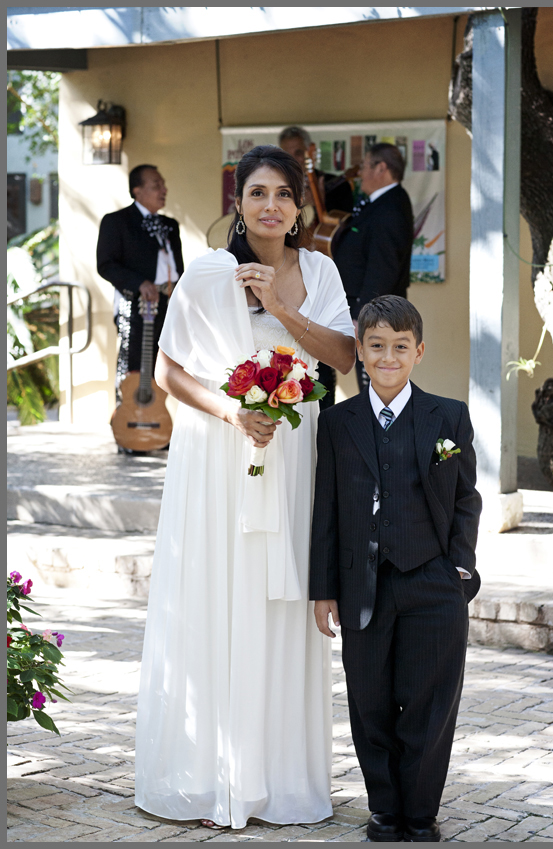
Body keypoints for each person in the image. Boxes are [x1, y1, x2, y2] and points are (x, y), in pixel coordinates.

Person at [135, 145, 356, 829]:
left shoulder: (319, 268)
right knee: (219, 593)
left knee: (280, 601)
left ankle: (277, 777)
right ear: (240, 203)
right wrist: (233, 412)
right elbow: (168, 373)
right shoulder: (207, 272)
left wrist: (277, 304)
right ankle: (209, 776)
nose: (270, 205)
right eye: (257, 192)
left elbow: (344, 356)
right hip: (219, 454)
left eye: (283, 194)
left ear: (299, 207)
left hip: (294, 456)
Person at [309, 295, 482, 843]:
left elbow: (465, 499)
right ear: (358, 350)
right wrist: (323, 588)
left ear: (419, 352)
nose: (388, 357)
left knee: (431, 703)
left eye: (400, 347)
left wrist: (459, 569)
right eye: (376, 346)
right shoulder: (337, 422)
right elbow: (327, 509)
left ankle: (421, 812)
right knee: (370, 701)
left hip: (433, 580)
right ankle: (384, 808)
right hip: (363, 586)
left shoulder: (448, 416)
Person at [279, 125, 354, 409]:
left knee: (322, 353)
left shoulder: (334, 185)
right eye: (287, 153)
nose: (293, 159)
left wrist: (319, 201)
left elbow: (345, 236)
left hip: (322, 283)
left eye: (298, 152)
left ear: (309, 153)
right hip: (286, 280)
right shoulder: (278, 192)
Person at [96, 164, 184, 408]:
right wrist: (140, 283)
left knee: (165, 362)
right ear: (137, 190)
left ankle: (157, 424)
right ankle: (127, 425)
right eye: (156, 185)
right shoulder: (117, 221)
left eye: (163, 184)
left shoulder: (170, 225)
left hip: (168, 303)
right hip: (133, 304)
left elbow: (177, 267)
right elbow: (106, 265)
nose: (163, 189)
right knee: (132, 363)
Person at [332, 144, 414, 392]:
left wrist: (363, 316)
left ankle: (383, 433)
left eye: (365, 166)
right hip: (367, 312)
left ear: (381, 168)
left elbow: (382, 267)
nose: (360, 174)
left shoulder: (390, 207)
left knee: (378, 389)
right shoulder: (379, 203)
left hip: (375, 317)